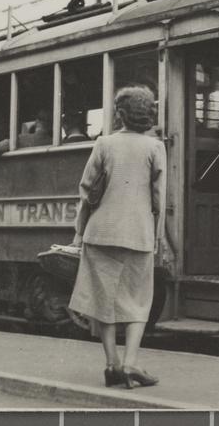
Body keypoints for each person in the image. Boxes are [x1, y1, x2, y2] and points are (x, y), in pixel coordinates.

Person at [68, 87, 167, 389]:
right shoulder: (155, 147)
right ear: (148, 114)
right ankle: (131, 363)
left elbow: (86, 191)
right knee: (138, 301)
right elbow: (159, 197)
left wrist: (79, 232)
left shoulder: (104, 143)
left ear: (119, 114)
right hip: (138, 233)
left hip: (100, 233)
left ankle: (112, 366)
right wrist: (158, 236)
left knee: (104, 301)